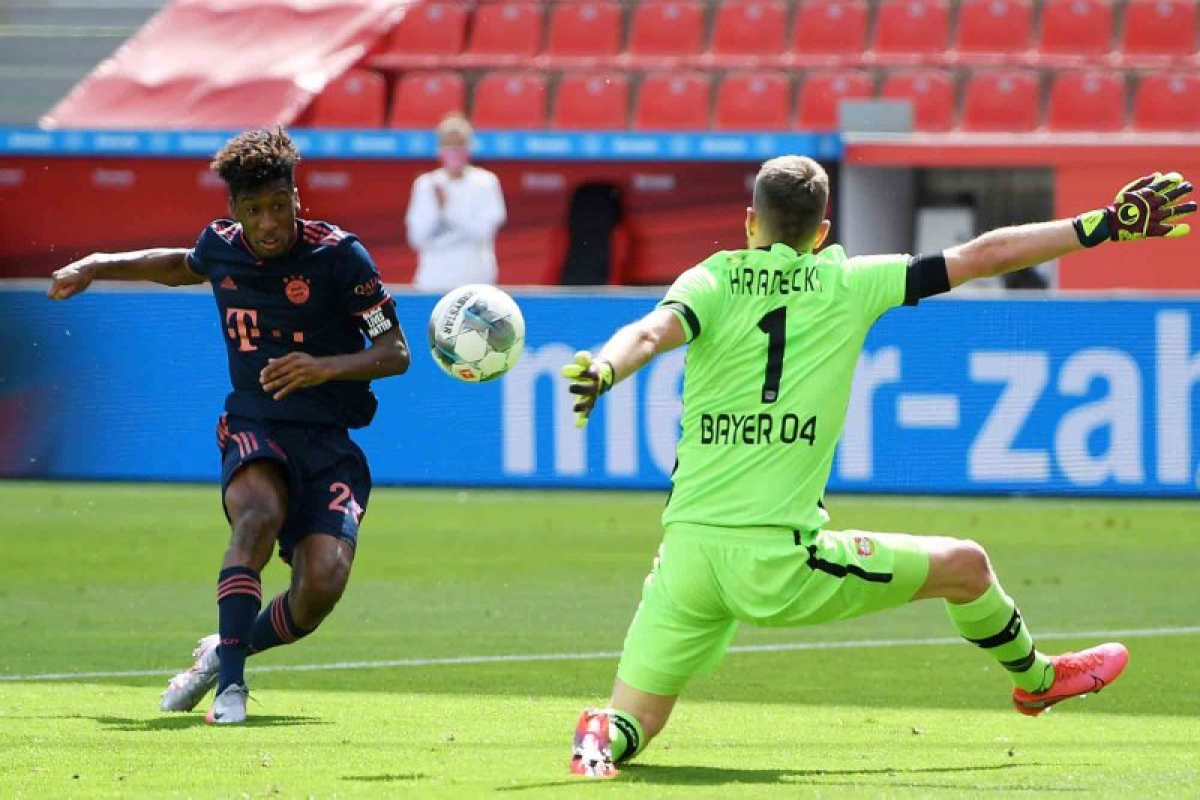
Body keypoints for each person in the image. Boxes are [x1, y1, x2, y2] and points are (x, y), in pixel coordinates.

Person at [560, 159, 1195, 778]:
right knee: (967, 566)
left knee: (634, 722)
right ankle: (1036, 681)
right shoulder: (851, 282)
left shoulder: (711, 280)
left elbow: (649, 331)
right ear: (823, 231)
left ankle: (601, 734)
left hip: (687, 560)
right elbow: (984, 254)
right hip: (779, 563)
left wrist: (605, 370)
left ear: (751, 221)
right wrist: (1102, 224)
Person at [48, 128, 411, 725]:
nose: (267, 223)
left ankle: (224, 650)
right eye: (252, 211)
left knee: (320, 585)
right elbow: (178, 266)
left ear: (298, 198)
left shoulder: (341, 256)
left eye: (277, 205)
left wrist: (324, 368)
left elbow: (395, 352)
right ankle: (231, 693)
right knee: (256, 518)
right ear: (233, 212)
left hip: (328, 441)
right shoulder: (221, 247)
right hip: (256, 422)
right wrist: (98, 263)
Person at [405, 112, 507, 291]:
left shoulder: (487, 182)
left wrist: (448, 207)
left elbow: (483, 232)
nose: (454, 151)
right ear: (440, 148)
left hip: (476, 284)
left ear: (469, 147)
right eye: (449, 145)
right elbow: (416, 238)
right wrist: (437, 210)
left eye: (459, 145)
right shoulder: (425, 184)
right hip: (432, 282)